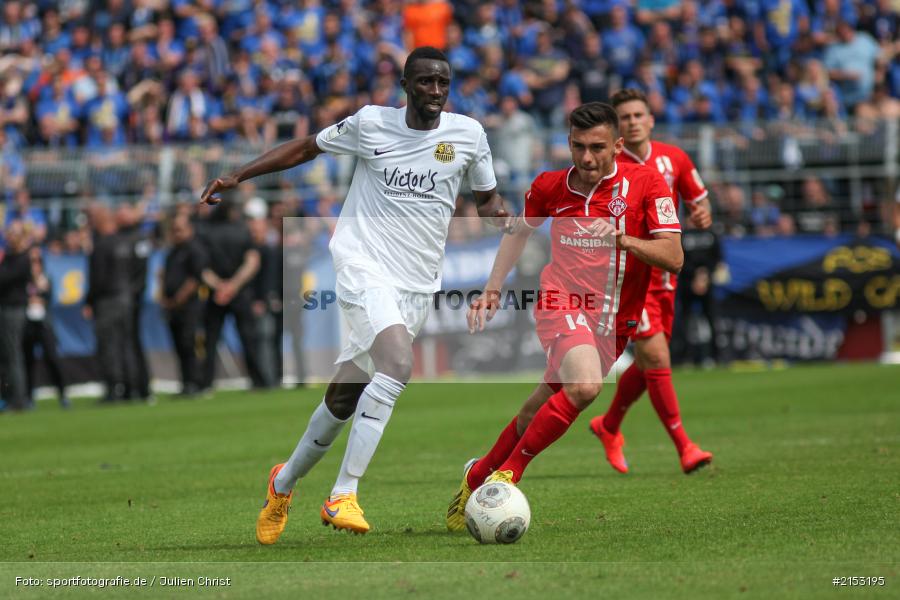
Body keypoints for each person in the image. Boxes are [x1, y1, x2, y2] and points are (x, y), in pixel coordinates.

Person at [199, 47, 510, 542]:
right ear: (406, 84)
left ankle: (281, 484)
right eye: (425, 81)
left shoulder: (468, 135)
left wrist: (507, 219)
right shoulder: (370, 124)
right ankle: (343, 494)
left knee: (344, 397)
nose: (435, 91)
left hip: (417, 283)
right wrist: (240, 175)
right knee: (398, 364)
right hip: (362, 263)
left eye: (443, 83)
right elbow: (306, 148)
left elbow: (486, 197)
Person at [447, 102, 684, 531]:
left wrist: (625, 239)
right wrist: (493, 289)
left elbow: (674, 256)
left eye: (597, 147)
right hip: (563, 300)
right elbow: (518, 233)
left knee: (541, 404)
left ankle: (477, 475)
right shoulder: (549, 186)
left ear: (617, 145)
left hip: (615, 320)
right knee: (586, 385)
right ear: (568, 143)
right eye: (578, 146)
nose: (587, 158)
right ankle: (508, 475)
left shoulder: (648, 184)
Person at [160, 214, 205, 396]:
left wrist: (178, 298)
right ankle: (185, 383)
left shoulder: (194, 250)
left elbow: (195, 278)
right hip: (174, 308)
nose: (176, 234)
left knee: (190, 345)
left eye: (180, 229)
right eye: (174, 230)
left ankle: (195, 382)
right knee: (179, 346)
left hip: (189, 307)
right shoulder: (172, 252)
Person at [23, 244, 70, 408]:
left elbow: (48, 299)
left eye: (37, 260)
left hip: (43, 323)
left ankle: (63, 394)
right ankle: (28, 396)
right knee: (28, 361)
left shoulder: (46, 278)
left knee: (52, 358)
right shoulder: (22, 279)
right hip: (27, 323)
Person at [0, 221, 33, 410]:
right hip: (8, 308)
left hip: (14, 309)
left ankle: (19, 398)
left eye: (13, 233)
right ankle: (10, 396)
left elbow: (4, 279)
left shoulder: (21, 258)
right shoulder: (11, 257)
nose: (8, 236)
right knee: (7, 355)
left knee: (13, 355)